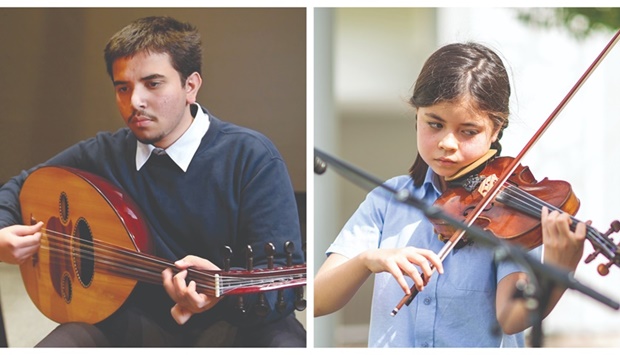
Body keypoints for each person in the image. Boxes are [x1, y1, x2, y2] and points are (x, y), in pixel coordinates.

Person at [0, 16, 305, 347]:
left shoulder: (251, 157)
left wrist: (219, 295)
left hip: (235, 324)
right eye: (123, 87)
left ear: (191, 85)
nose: (135, 102)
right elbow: (19, 188)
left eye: (153, 84)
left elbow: (280, 291)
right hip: (135, 320)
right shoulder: (105, 153)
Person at [314, 42, 586, 347]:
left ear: (495, 130)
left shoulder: (509, 216)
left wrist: (558, 271)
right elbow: (317, 300)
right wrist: (367, 259)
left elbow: (512, 318)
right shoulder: (386, 201)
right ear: (416, 115)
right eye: (434, 123)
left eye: (468, 131)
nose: (447, 143)